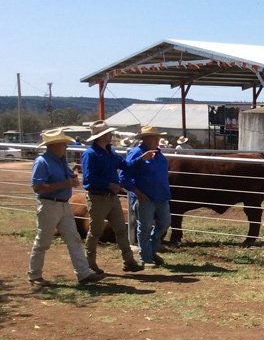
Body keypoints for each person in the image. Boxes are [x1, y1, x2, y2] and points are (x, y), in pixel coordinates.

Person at [27, 128, 104, 286]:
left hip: (63, 204)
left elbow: (67, 177)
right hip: (49, 205)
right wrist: (65, 184)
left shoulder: (60, 161)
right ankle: (34, 274)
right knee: (43, 241)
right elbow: (37, 187)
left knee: (73, 239)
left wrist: (72, 178)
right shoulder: (42, 162)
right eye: (63, 144)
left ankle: (83, 274)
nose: (66, 147)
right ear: (54, 145)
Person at [81, 121, 147, 274]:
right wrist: (108, 184)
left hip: (111, 197)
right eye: (108, 133)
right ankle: (89, 264)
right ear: (102, 136)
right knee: (95, 232)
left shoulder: (109, 152)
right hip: (98, 198)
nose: (110, 135)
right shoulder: (90, 154)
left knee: (121, 230)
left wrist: (141, 159)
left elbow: (125, 165)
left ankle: (128, 261)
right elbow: (88, 179)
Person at [122, 126, 171, 269]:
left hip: (161, 195)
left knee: (164, 223)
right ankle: (146, 257)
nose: (157, 140)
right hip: (145, 197)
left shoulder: (158, 153)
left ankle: (151, 250)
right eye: (154, 137)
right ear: (145, 139)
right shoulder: (136, 153)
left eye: (157, 137)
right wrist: (136, 192)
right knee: (144, 227)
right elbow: (123, 176)